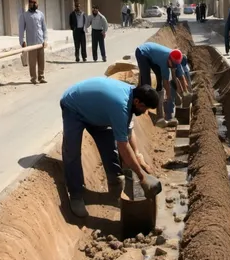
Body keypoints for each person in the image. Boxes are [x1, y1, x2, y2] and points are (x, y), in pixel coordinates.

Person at [60, 78, 162, 217]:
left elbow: (127, 134)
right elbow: (123, 146)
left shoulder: (133, 95)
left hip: (97, 113)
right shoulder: (120, 106)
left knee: (110, 148)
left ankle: (115, 190)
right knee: (72, 151)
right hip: (74, 106)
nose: (145, 112)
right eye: (144, 108)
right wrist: (141, 176)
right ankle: (76, 195)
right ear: (137, 102)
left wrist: (138, 157)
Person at [135, 42, 188, 128]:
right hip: (142, 52)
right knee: (147, 83)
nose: (174, 67)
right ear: (170, 60)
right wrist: (169, 97)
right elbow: (166, 83)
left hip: (153, 56)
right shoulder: (164, 62)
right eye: (173, 65)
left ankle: (160, 116)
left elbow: (181, 76)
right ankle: (143, 106)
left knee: (159, 81)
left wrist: (185, 92)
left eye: (175, 65)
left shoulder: (176, 57)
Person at [19, 0, 48, 84]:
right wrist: (22, 41)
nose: (34, 4)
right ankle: (33, 78)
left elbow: (44, 28)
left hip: (40, 42)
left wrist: (45, 40)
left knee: (41, 61)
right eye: (32, 2)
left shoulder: (41, 14)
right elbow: (21, 30)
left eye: (36, 2)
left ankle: (41, 77)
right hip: (31, 43)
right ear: (29, 3)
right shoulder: (24, 15)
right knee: (32, 62)